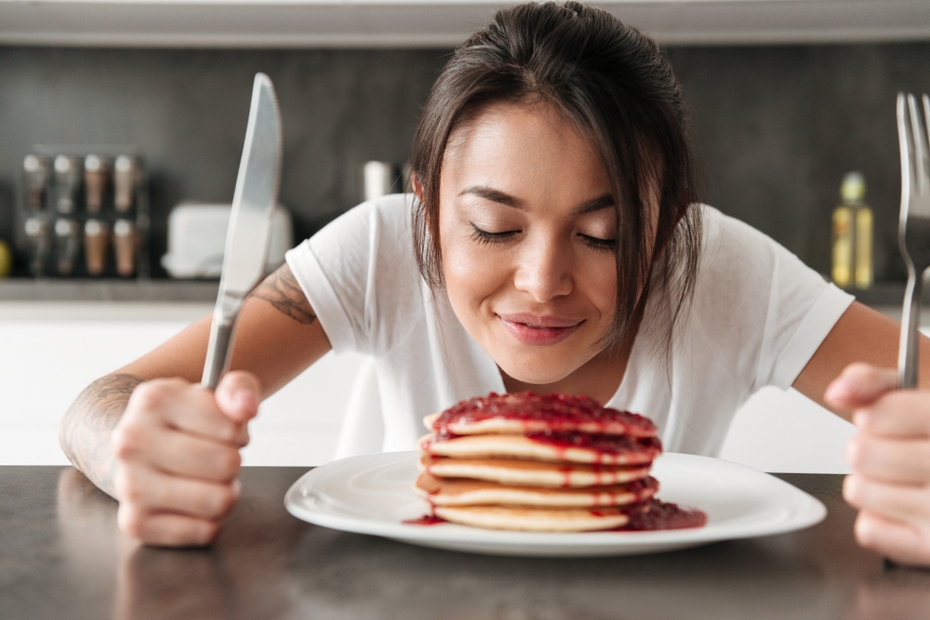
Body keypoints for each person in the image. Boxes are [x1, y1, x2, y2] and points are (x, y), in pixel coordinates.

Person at [60, 1, 930, 565]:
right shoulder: (383, 249)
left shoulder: (721, 266)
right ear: (426, 209)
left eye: (606, 234)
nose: (542, 281)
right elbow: (104, 401)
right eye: (492, 228)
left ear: (666, 227)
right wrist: (131, 451)